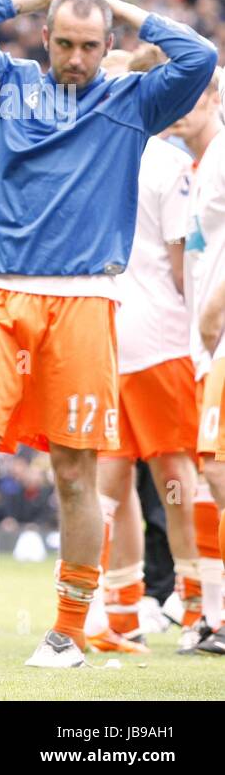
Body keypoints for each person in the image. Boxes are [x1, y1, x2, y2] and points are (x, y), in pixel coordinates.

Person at [0, 0, 217, 667]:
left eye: (89, 45)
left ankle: (69, 630)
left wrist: (120, 6)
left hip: (83, 300)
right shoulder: (1, 81)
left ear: (109, 48)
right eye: (64, 42)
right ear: (44, 37)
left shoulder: (131, 101)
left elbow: (199, 56)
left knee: (75, 471)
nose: (75, 58)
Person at [83, 48, 196, 655]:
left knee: (170, 475)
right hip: (111, 342)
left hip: (155, 342)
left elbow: (183, 267)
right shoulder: (103, 156)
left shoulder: (161, 161)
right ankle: (120, 614)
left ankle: (200, 605)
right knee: (117, 480)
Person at [181, 64, 225, 653]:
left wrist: (213, 314)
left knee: (215, 468)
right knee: (205, 473)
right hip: (201, 343)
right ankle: (212, 613)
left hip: (218, 335)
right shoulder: (195, 164)